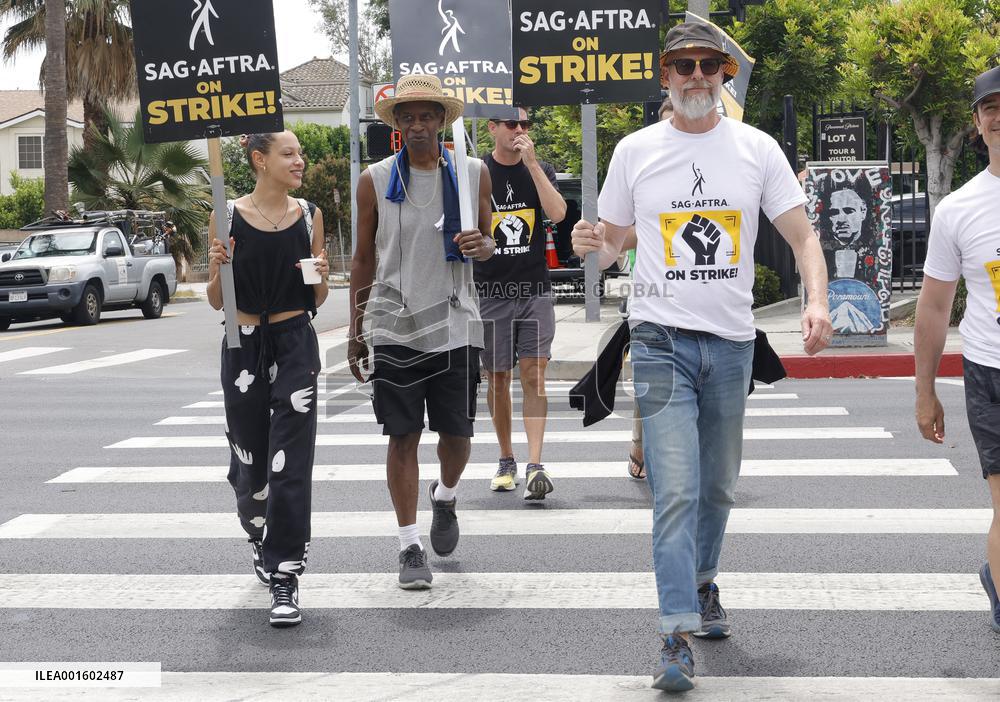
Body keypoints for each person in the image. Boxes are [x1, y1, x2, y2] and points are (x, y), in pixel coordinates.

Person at [572, 22, 832, 691]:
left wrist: (817, 300)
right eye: (683, 65)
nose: (695, 76)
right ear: (665, 75)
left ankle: (705, 581)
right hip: (658, 342)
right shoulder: (635, 152)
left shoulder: (756, 149)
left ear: (724, 75)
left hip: (731, 344)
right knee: (676, 488)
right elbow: (613, 245)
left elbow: (803, 239)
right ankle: (674, 635)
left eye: (708, 65)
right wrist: (589, 245)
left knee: (717, 487)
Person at [348, 74, 494, 590]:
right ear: (396, 125)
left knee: (457, 438)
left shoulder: (473, 173)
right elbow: (363, 257)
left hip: (455, 322)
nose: (416, 125)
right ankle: (410, 545)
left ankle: (446, 496)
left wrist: (482, 246)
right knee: (402, 435)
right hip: (393, 327)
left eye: (425, 116)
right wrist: (355, 330)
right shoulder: (375, 179)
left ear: (441, 119)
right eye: (406, 117)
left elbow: (489, 242)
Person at [206, 130, 330, 628]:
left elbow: (316, 299)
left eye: (299, 152)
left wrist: (321, 273)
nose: (300, 160)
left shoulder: (310, 216)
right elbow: (218, 301)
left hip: (296, 343)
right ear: (260, 160)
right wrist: (218, 268)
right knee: (252, 461)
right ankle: (255, 527)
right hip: (243, 346)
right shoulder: (227, 215)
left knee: (291, 461)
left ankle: (285, 573)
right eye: (289, 154)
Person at [914, 64, 1000, 636]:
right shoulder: (960, 210)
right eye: (992, 108)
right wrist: (925, 392)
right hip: (991, 372)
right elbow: (935, 306)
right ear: (977, 122)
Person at [476, 107, 567, 499]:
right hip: (491, 290)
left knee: (534, 374)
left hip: (534, 290)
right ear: (492, 128)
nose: (519, 130)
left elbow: (559, 213)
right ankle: (506, 458)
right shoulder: (476, 171)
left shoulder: (539, 168)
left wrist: (531, 164)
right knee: (498, 377)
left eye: (525, 124)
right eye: (511, 124)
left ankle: (535, 464)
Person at [627, 96, 673, 481]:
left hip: (702, 302)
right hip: (651, 296)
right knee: (650, 381)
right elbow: (620, 232)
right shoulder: (644, 165)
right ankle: (641, 444)